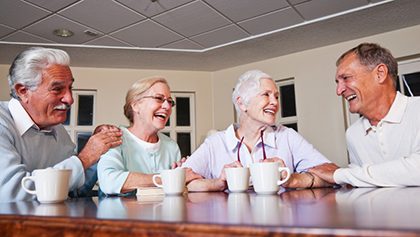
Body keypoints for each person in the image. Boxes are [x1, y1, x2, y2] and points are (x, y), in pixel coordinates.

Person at [0, 47, 123, 202]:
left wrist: (97, 152)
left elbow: (76, 191)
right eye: (57, 89)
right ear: (23, 91)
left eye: (69, 88)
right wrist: (85, 157)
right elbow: (11, 193)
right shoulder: (2, 123)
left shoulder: (57, 130)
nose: (70, 99)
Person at [179, 70, 334, 191]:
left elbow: (331, 176)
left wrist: (291, 179)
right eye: (266, 94)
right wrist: (217, 183)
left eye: (277, 96)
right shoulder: (215, 143)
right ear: (242, 103)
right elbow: (182, 181)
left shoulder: (287, 137)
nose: (275, 102)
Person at [309, 43, 420, 187]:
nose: (339, 90)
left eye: (346, 78)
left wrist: (340, 174)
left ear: (380, 74)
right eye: (337, 82)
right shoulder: (353, 134)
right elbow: (359, 181)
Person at [97, 77, 199, 196]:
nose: (167, 106)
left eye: (170, 101)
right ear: (135, 106)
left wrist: (182, 178)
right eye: (159, 98)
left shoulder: (171, 146)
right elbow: (109, 182)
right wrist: (168, 179)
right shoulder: (113, 139)